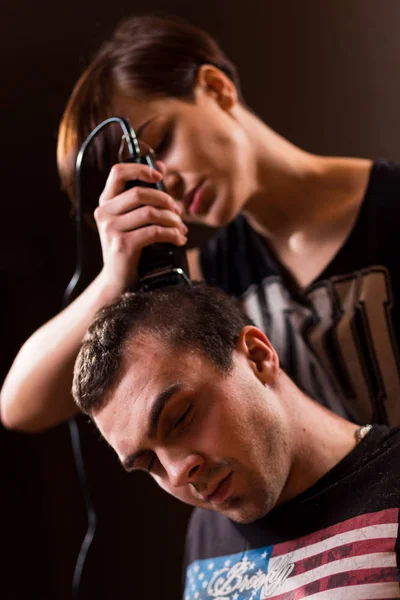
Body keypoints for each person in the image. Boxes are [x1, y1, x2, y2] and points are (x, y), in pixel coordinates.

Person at [2, 14, 400, 431]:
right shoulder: (207, 277)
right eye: (142, 177)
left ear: (216, 87)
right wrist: (113, 280)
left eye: (164, 144)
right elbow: (21, 406)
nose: (165, 182)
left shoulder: (389, 201)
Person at [72, 283, 400, 599]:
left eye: (180, 418)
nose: (176, 474)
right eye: (148, 463)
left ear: (258, 358)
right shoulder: (206, 533)